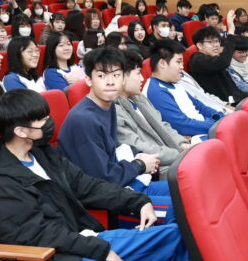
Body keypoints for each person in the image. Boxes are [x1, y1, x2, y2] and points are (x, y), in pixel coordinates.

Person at [0, 88, 188, 261]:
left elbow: (86, 185)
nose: (50, 122)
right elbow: (38, 236)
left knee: (178, 238)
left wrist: (136, 201)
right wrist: (102, 251)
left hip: (83, 241)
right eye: (42, 120)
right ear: (21, 131)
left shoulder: (42, 153)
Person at [57, 47, 174, 225]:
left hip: (122, 187)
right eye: (101, 76)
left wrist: (140, 157)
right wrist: (140, 165)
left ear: (123, 78)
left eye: (116, 75)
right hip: (103, 204)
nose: (110, 82)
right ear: (88, 80)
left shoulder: (108, 105)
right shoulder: (84, 119)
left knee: (189, 189)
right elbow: (102, 179)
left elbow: (113, 151)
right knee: (181, 210)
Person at [116, 51, 191, 178]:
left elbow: (163, 124)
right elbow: (139, 146)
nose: (142, 78)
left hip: (174, 156)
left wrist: (181, 143)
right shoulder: (114, 111)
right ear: (122, 77)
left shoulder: (138, 97)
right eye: (138, 73)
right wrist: (179, 154)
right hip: (157, 169)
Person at [144, 39, 223, 137]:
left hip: (205, 128)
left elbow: (200, 106)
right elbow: (183, 126)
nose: (182, 67)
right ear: (162, 64)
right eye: (178, 62)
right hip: (195, 138)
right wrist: (217, 125)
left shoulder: (174, 83)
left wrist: (221, 118)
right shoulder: (156, 91)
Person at [189, 21, 247, 103]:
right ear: (199, 45)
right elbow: (223, 62)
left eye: (217, 41)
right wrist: (230, 33)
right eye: (211, 42)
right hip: (223, 105)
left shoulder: (213, 58)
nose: (216, 45)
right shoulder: (197, 60)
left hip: (236, 99)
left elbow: (232, 88)